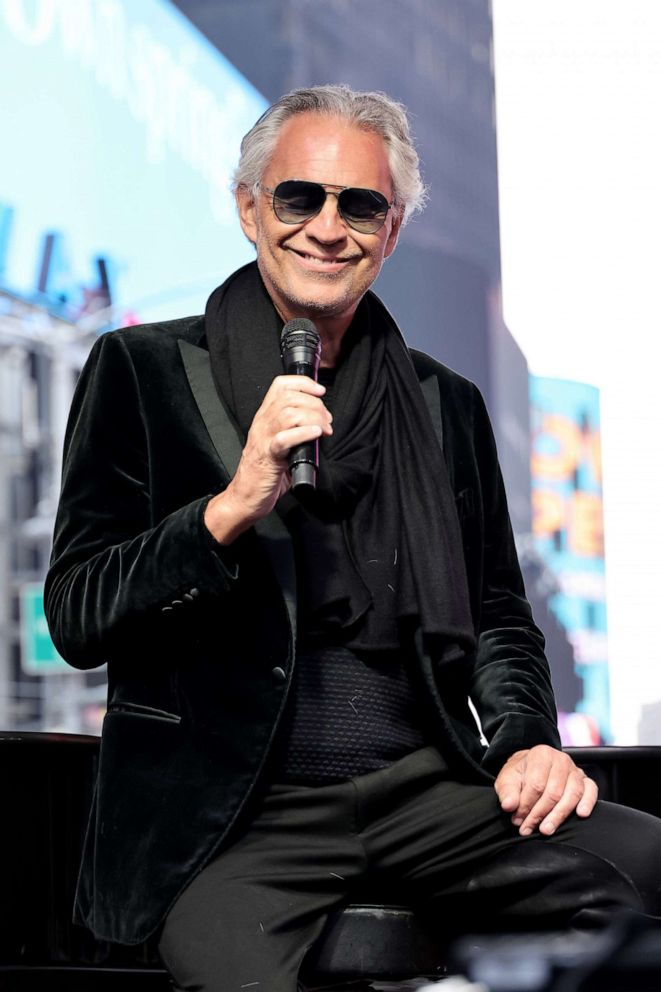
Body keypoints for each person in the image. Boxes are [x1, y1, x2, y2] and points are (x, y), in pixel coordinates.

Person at [45, 85, 661, 992]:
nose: (327, 229)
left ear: (392, 229)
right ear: (250, 207)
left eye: (360, 204)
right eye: (300, 197)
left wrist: (528, 737)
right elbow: (77, 614)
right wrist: (231, 505)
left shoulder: (443, 402)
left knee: (644, 866)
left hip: (423, 791)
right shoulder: (142, 371)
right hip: (236, 814)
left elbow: (497, 615)